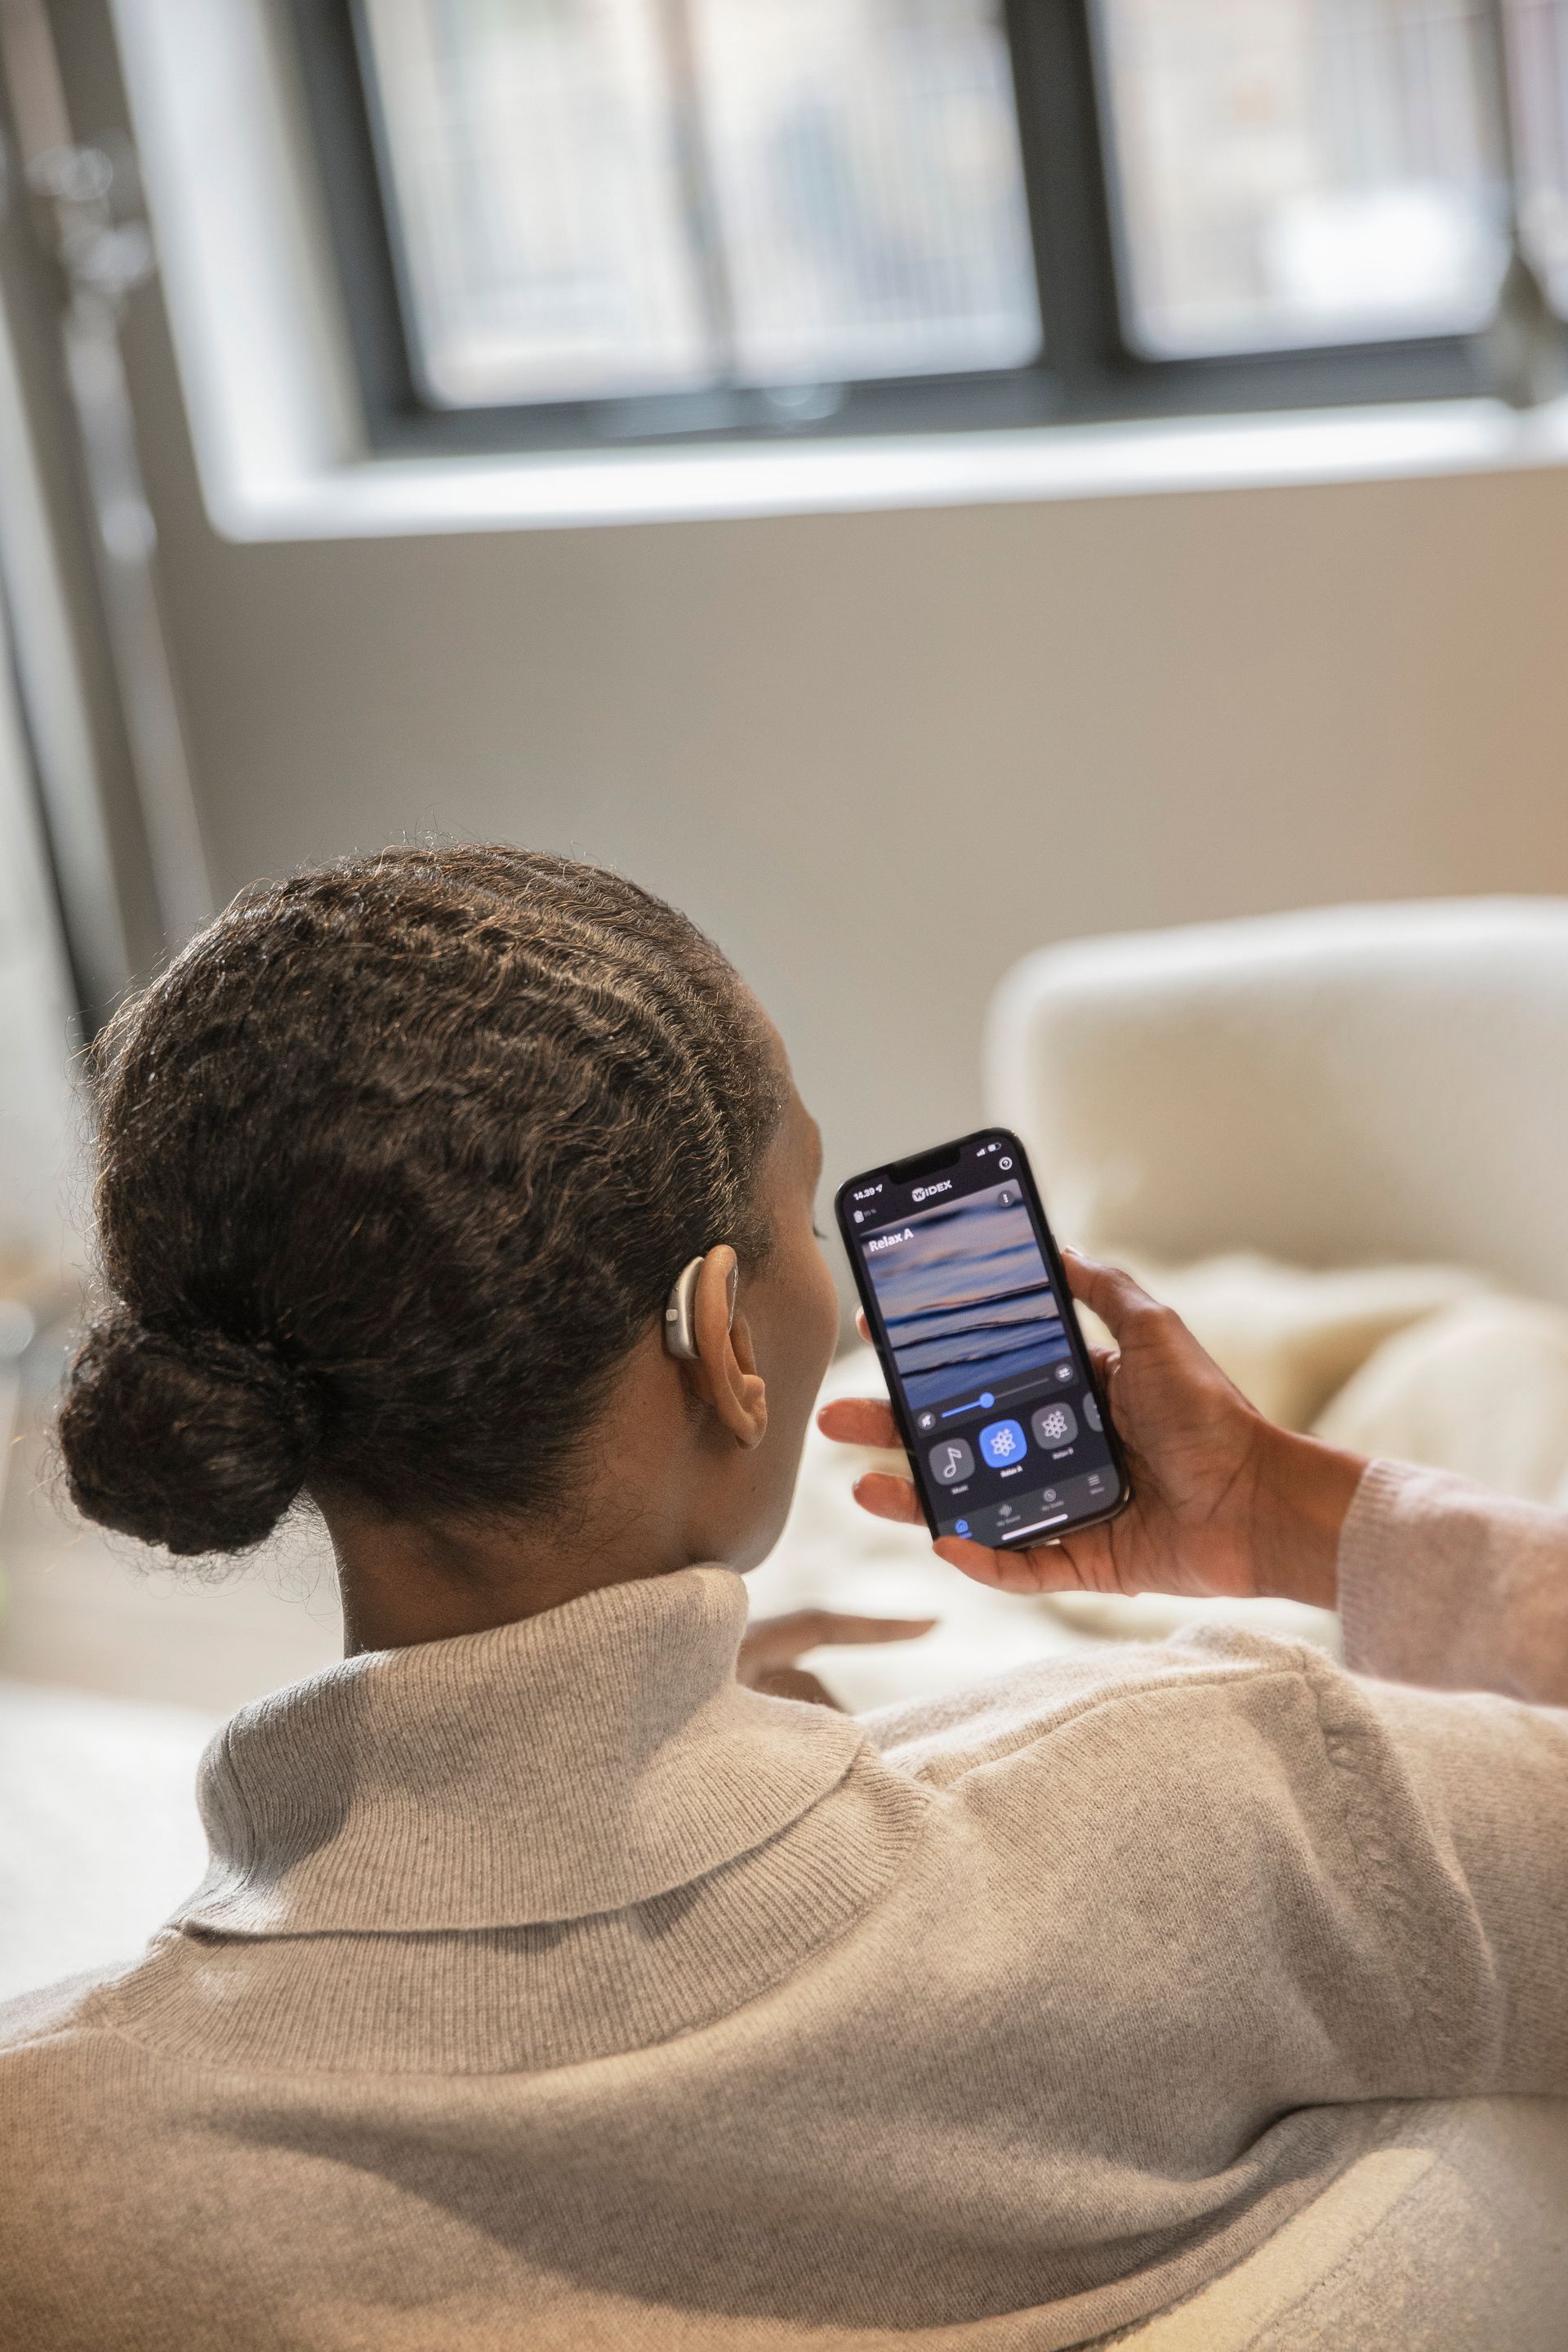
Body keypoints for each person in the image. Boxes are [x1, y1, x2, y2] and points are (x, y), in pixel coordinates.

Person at [2, 842, 1565, 2351]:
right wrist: (1288, 1514)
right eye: (805, 1219)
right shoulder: (1227, 1807)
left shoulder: (53, 2167)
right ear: (724, 1340)